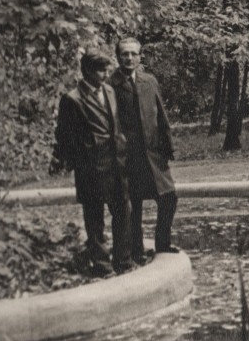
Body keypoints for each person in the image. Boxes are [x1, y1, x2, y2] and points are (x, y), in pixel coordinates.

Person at [50, 49, 135, 275]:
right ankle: (101, 264)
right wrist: (82, 160)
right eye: (100, 69)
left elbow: (115, 123)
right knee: (95, 217)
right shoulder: (72, 99)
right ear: (87, 71)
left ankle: (123, 261)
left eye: (107, 68)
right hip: (92, 167)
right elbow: (65, 136)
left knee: (123, 211)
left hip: (117, 163)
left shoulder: (109, 90)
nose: (106, 73)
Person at [110, 37, 178, 262]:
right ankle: (136, 250)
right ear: (118, 57)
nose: (129, 58)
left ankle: (162, 243)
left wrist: (167, 147)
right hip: (129, 157)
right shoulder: (111, 86)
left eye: (133, 54)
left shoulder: (150, 81)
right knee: (134, 205)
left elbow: (161, 114)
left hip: (154, 154)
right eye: (124, 54)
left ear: (140, 56)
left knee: (169, 197)